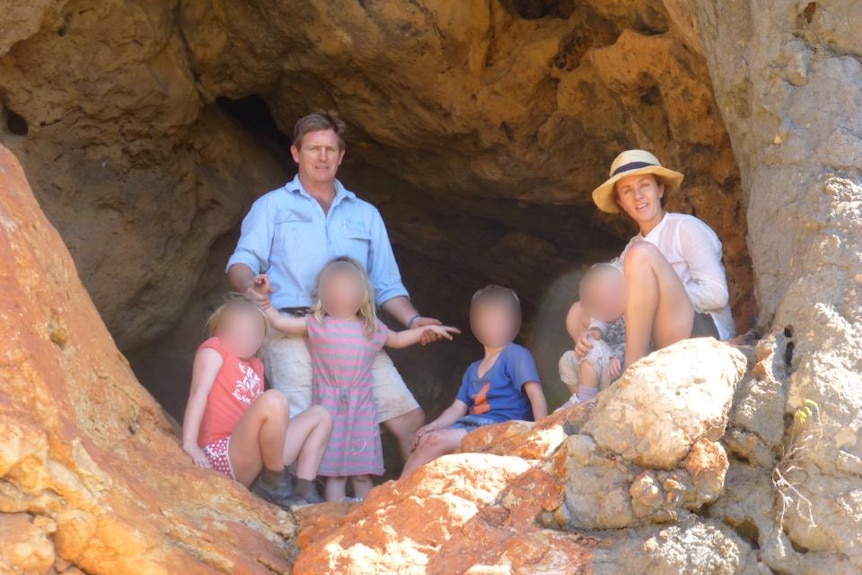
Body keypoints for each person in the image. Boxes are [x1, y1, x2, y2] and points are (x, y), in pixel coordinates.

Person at [227, 111, 444, 463]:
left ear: (341, 155)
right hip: (290, 326)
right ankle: (303, 507)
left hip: (355, 330)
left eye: (330, 149)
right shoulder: (272, 207)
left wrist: (414, 320)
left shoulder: (366, 215)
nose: (322, 157)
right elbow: (242, 262)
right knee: (302, 421)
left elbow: (387, 284)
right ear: (296, 153)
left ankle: (410, 499)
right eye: (314, 148)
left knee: (409, 420)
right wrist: (251, 285)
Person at [254, 257, 459, 501]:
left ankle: (366, 519)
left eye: (348, 290)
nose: (340, 296)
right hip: (329, 410)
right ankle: (332, 521)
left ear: (363, 294)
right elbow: (279, 321)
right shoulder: (317, 324)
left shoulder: (371, 328)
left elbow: (398, 339)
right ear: (321, 295)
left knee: (363, 474)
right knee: (335, 476)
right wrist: (264, 301)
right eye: (333, 290)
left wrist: (425, 330)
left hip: (362, 409)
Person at [568, 149, 735, 369]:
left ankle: (632, 366)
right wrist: (595, 328)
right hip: (653, 335)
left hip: (699, 330)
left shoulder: (685, 228)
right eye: (628, 191)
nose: (638, 196)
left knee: (641, 254)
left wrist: (653, 299)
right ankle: (599, 370)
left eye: (645, 185)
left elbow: (717, 295)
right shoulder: (631, 248)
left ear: (660, 189)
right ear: (621, 203)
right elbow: (609, 295)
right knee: (579, 310)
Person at [181, 298, 333, 508]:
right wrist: (190, 443)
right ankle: (275, 481)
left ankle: (303, 491)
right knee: (274, 400)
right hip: (222, 454)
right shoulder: (214, 349)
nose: (246, 338)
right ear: (219, 331)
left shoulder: (256, 365)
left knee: (321, 415)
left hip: (253, 458)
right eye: (237, 331)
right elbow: (199, 392)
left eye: (253, 332)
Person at [401, 286, 547, 477]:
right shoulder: (473, 369)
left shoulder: (514, 354)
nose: (494, 326)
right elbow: (456, 409)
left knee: (436, 440)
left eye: (502, 320)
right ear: (475, 323)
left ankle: (391, 494)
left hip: (502, 426)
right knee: (428, 438)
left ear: (514, 323)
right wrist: (431, 426)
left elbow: (535, 394)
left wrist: (542, 432)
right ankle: (397, 491)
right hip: (471, 425)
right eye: (488, 320)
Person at [559, 263, 626, 406]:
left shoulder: (630, 313)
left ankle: (584, 401)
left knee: (594, 346)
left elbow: (634, 341)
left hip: (617, 369)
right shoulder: (604, 316)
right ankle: (581, 399)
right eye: (600, 303)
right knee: (567, 358)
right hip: (601, 370)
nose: (607, 305)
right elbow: (599, 325)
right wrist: (592, 334)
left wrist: (617, 356)